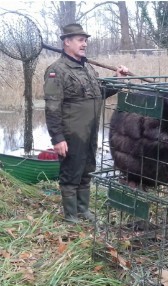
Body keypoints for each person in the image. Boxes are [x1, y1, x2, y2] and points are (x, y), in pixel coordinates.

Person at [44, 23, 129, 223]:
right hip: (72, 133)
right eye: (80, 40)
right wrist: (57, 137)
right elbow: (52, 107)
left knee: (87, 169)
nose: (85, 44)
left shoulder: (87, 67)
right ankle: (71, 216)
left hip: (90, 131)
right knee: (71, 172)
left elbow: (99, 95)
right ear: (67, 41)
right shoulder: (57, 70)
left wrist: (117, 79)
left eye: (86, 40)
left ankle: (84, 211)